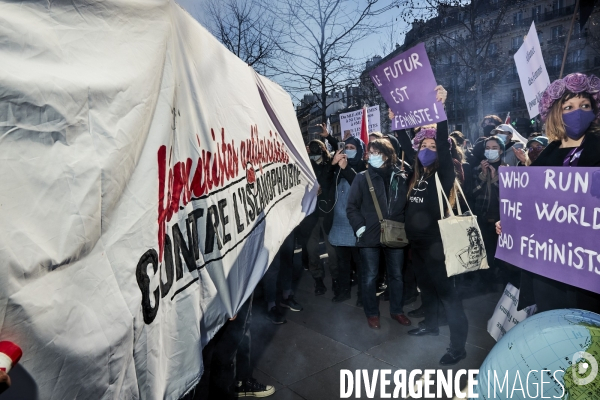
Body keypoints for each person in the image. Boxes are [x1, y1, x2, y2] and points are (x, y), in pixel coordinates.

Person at [497, 72, 600, 313]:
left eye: (585, 105)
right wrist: (511, 223)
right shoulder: (548, 155)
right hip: (550, 268)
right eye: (569, 106)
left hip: (587, 266)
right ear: (557, 113)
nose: (578, 111)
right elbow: (532, 205)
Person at [399, 86, 469, 366]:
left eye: (432, 147)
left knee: (448, 296)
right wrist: (397, 123)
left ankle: (458, 346)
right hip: (417, 245)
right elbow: (406, 146)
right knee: (426, 289)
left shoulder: (444, 171)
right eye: (423, 147)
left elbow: (441, 140)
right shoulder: (418, 173)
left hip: (438, 247)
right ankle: (431, 324)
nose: (428, 150)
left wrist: (440, 111)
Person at [346, 139, 411, 329]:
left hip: (396, 233)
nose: (371, 155)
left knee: (397, 275)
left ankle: (397, 310)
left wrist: (404, 225)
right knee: (369, 276)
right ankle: (372, 313)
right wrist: (360, 228)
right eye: (370, 152)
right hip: (369, 236)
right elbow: (351, 207)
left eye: (376, 152)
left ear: (387, 154)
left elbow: (406, 205)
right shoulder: (362, 177)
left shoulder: (400, 176)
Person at [328, 136, 367, 303]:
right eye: (347, 146)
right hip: (339, 224)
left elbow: (360, 186)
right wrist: (332, 165)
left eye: (353, 147)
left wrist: (346, 169)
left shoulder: (364, 168)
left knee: (361, 264)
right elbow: (326, 184)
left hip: (356, 225)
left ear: (359, 151)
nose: (349, 149)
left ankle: (362, 296)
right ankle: (343, 291)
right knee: (343, 263)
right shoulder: (337, 167)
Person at [303, 131, 339, 296]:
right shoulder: (305, 165)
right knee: (312, 249)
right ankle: (317, 278)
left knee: (331, 249)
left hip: (326, 212)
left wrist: (329, 136)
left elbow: (340, 149)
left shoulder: (329, 164)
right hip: (311, 215)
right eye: (311, 149)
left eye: (317, 148)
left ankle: (336, 278)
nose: (314, 152)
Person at [261, 231, 302, 324]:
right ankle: (271, 306)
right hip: (271, 229)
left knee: (287, 260)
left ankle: (286, 297)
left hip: (287, 226)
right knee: (272, 266)